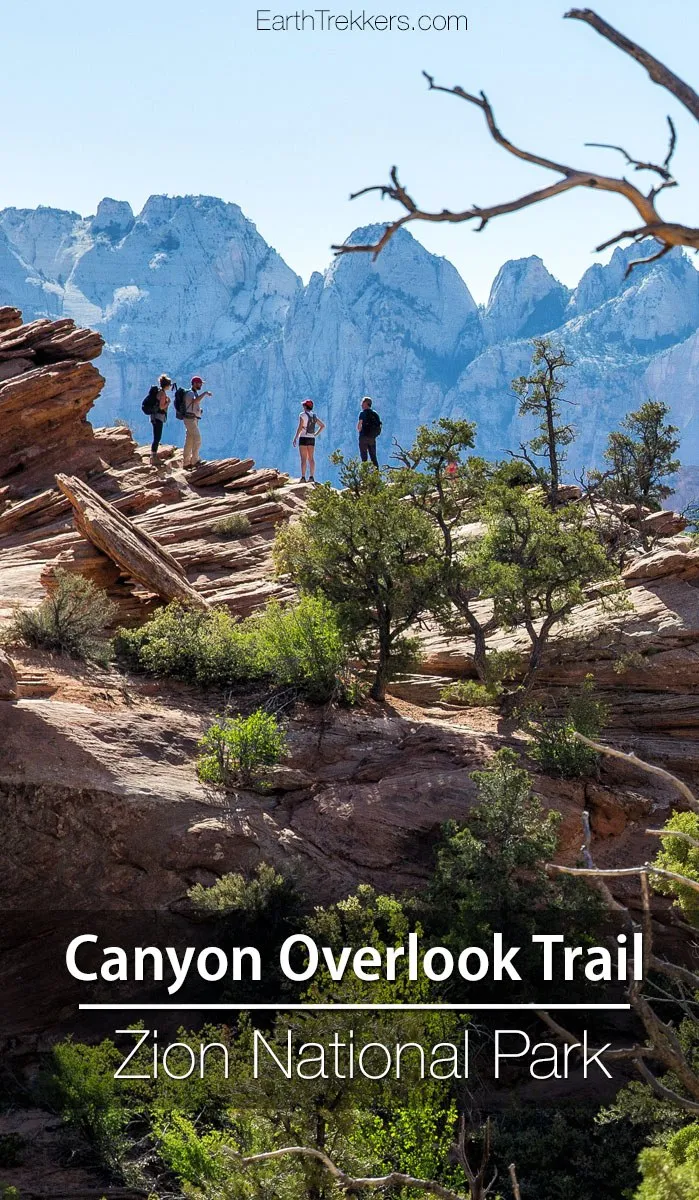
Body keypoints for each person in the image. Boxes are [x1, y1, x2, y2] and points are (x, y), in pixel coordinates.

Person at [182, 375, 212, 469]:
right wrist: (205, 393)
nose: (200, 385)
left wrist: (199, 411)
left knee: (189, 441)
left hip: (192, 419)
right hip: (190, 420)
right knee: (197, 439)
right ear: (194, 383)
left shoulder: (193, 393)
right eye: (199, 383)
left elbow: (193, 405)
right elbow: (195, 401)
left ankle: (186, 463)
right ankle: (195, 460)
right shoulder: (191, 393)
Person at [293, 398, 325, 483]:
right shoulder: (314, 416)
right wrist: (315, 434)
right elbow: (322, 425)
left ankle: (303, 477)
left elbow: (300, 427)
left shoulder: (302, 415)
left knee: (303, 458)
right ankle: (311, 477)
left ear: (305, 406)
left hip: (303, 437)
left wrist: (296, 437)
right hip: (311, 438)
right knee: (311, 458)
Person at [147, 374, 172, 457]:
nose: (170, 386)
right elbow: (161, 407)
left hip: (154, 416)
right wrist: (168, 403)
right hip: (158, 417)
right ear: (167, 385)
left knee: (156, 435)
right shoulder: (162, 394)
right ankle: (153, 455)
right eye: (170, 385)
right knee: (157, 436)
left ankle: (153, 454)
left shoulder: (159, 392)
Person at [357, 396, 381, 467]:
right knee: (373, 456)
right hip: (372, 438)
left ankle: (365, 474)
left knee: (364, 457)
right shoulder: (375, 414)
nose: (361, 404)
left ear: (365, 403)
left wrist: (361, 431)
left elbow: (359, 426)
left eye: (362, 403)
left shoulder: (362, 413)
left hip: (363, 437)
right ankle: (376, 474)